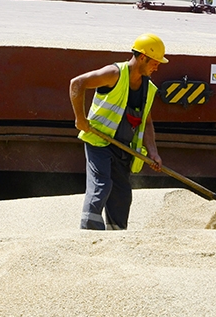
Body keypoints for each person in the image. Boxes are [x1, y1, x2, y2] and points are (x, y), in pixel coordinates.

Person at [69, 33, 168, 230]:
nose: (157, 67)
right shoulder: (114, 74)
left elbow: (147, 122)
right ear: (142, 57)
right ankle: (89, 232)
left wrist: (153, 152)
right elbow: (77, 83)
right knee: (101, 185)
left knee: (122, 194)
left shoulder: (149, 89)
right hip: (99, 142)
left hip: (123, 148)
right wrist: (80, 118)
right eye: (155, 62)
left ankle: (117, 236)